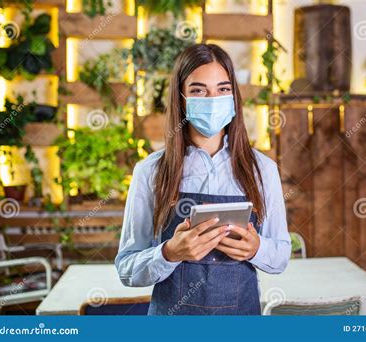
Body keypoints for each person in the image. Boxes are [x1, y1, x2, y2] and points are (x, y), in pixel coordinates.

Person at [115, 43, 291, 315]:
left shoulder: (262, 170)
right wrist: (168, 253)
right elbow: (127, 269)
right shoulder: (150, 171)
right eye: (198, 90)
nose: (212, 99)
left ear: (234, 97)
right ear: (181, 98)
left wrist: (257, 249)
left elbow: (280, 257)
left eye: (222, 89)